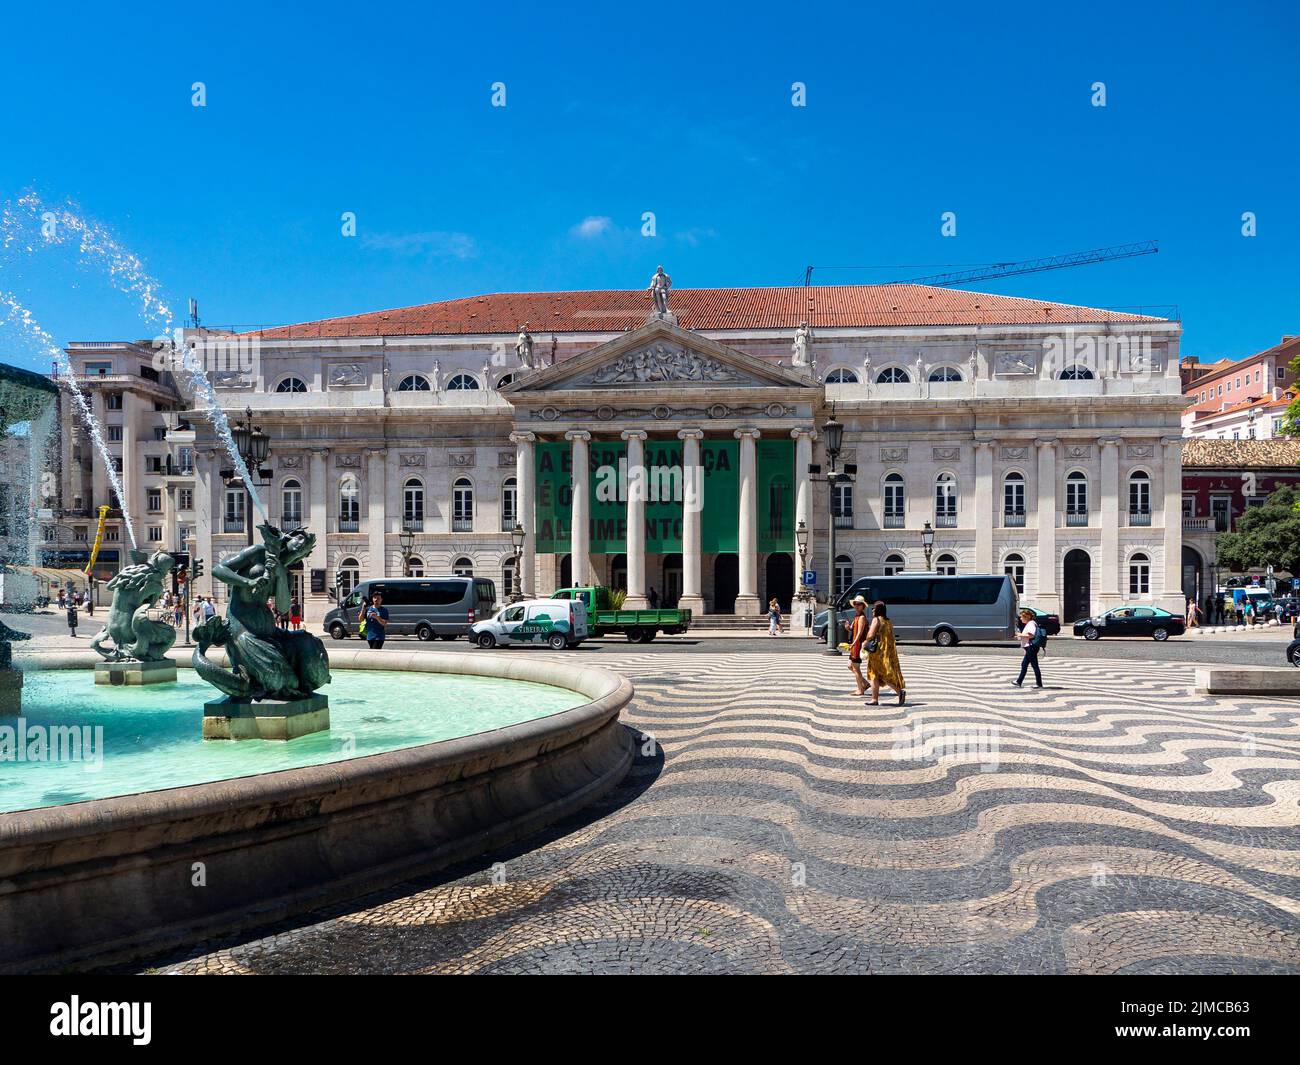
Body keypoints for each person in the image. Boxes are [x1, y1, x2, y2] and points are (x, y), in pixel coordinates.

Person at [865, 600, 905, 706]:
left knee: (878, 674)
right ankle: (874, 699)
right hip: (887, 651)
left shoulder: (876, 620)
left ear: (878, 610)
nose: (872, 609)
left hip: (877, 652)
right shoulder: (888, 621)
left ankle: (899, 691)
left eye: (874, 608)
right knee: (877, 675)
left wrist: (866, 640)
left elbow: (870, 635)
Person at [1013, 607, 1045, 689]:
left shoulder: (1031, 623)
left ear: (1026, 617)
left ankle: (1039, 684)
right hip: (1030, 647)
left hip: (1031, 647)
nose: (1020, 618)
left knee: (1034, 665)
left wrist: (1020, 635)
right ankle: (1019, 681)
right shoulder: (1031, 623)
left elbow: (1031, 635)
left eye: (1021, 617)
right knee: (1024, 664)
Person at [844, 595, 869, 696]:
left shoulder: (862, 617)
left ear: (863, 606)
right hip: (855, 645)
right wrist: (848, 628)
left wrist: (853, 644)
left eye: (859, 604)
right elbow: (853, 629)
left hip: (858, 645)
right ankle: (865, 684)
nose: (856, 606)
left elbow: (859, 633)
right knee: (850, 666)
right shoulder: (856, 616)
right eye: (855, 604)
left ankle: (860, 690)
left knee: (855, 668)